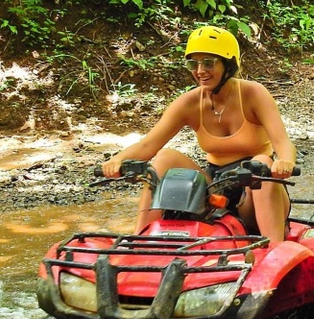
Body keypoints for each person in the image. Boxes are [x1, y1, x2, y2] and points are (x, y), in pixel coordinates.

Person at [102, 25, 297, 241]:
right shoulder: (189, 103)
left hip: (256, 188)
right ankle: (140, 239)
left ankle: (274, 247)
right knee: (166, 156)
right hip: (214, 187)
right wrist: (117, 160)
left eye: (208, 63)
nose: (200, 71)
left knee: (261, 161)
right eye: (193, 63)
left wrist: (285, 161)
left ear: (228, 65)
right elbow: (149, 145)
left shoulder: (253, 93)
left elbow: (283, 142)